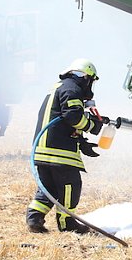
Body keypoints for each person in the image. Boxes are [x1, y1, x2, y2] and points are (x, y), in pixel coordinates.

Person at [26, 58, 109, 234]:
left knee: (48, 187)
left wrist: (81, 142)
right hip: (59, 152)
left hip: (42, 150)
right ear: (86, 77)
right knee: (71, 186)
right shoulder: (73, 88)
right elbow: (72, 117)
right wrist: (92, 126)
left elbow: (62, 121)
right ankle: (67, 224)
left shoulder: (58, 87)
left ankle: (34, 217)